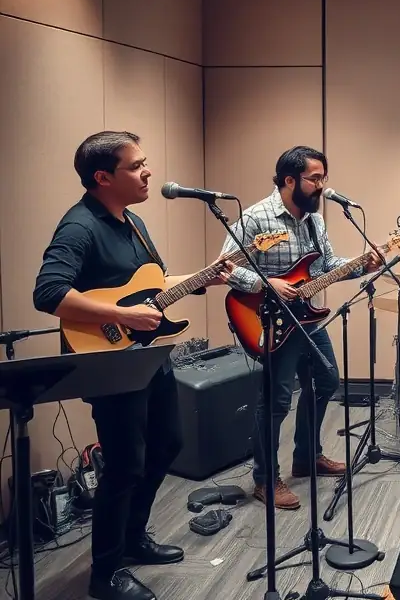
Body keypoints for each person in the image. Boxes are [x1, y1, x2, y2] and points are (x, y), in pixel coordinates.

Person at [33, 131, 233, 600]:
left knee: (166, 444)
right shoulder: (79, 227)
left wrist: (209, 274)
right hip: (108, 363)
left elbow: (153, 285)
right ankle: (104, 576)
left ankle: (133, 538)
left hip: (147, 356)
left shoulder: (134, 222)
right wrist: (122, 316)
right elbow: (48, 293)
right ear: (103, 177)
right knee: (123, 465)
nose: (148, 172)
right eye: (136, 165)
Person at [221, 146, 379, 511]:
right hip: (269, 319)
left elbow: (324, 267)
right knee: (276, 401)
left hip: (306, 317)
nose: (322, 186)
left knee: (327, 381)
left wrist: (362, 265)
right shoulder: (257, 218)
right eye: (315, 178)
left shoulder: (314, 221)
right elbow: (225, 267)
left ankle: (307, 457)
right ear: (289, 180)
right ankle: (265, 478)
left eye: (324, 178)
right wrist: (266, 283)